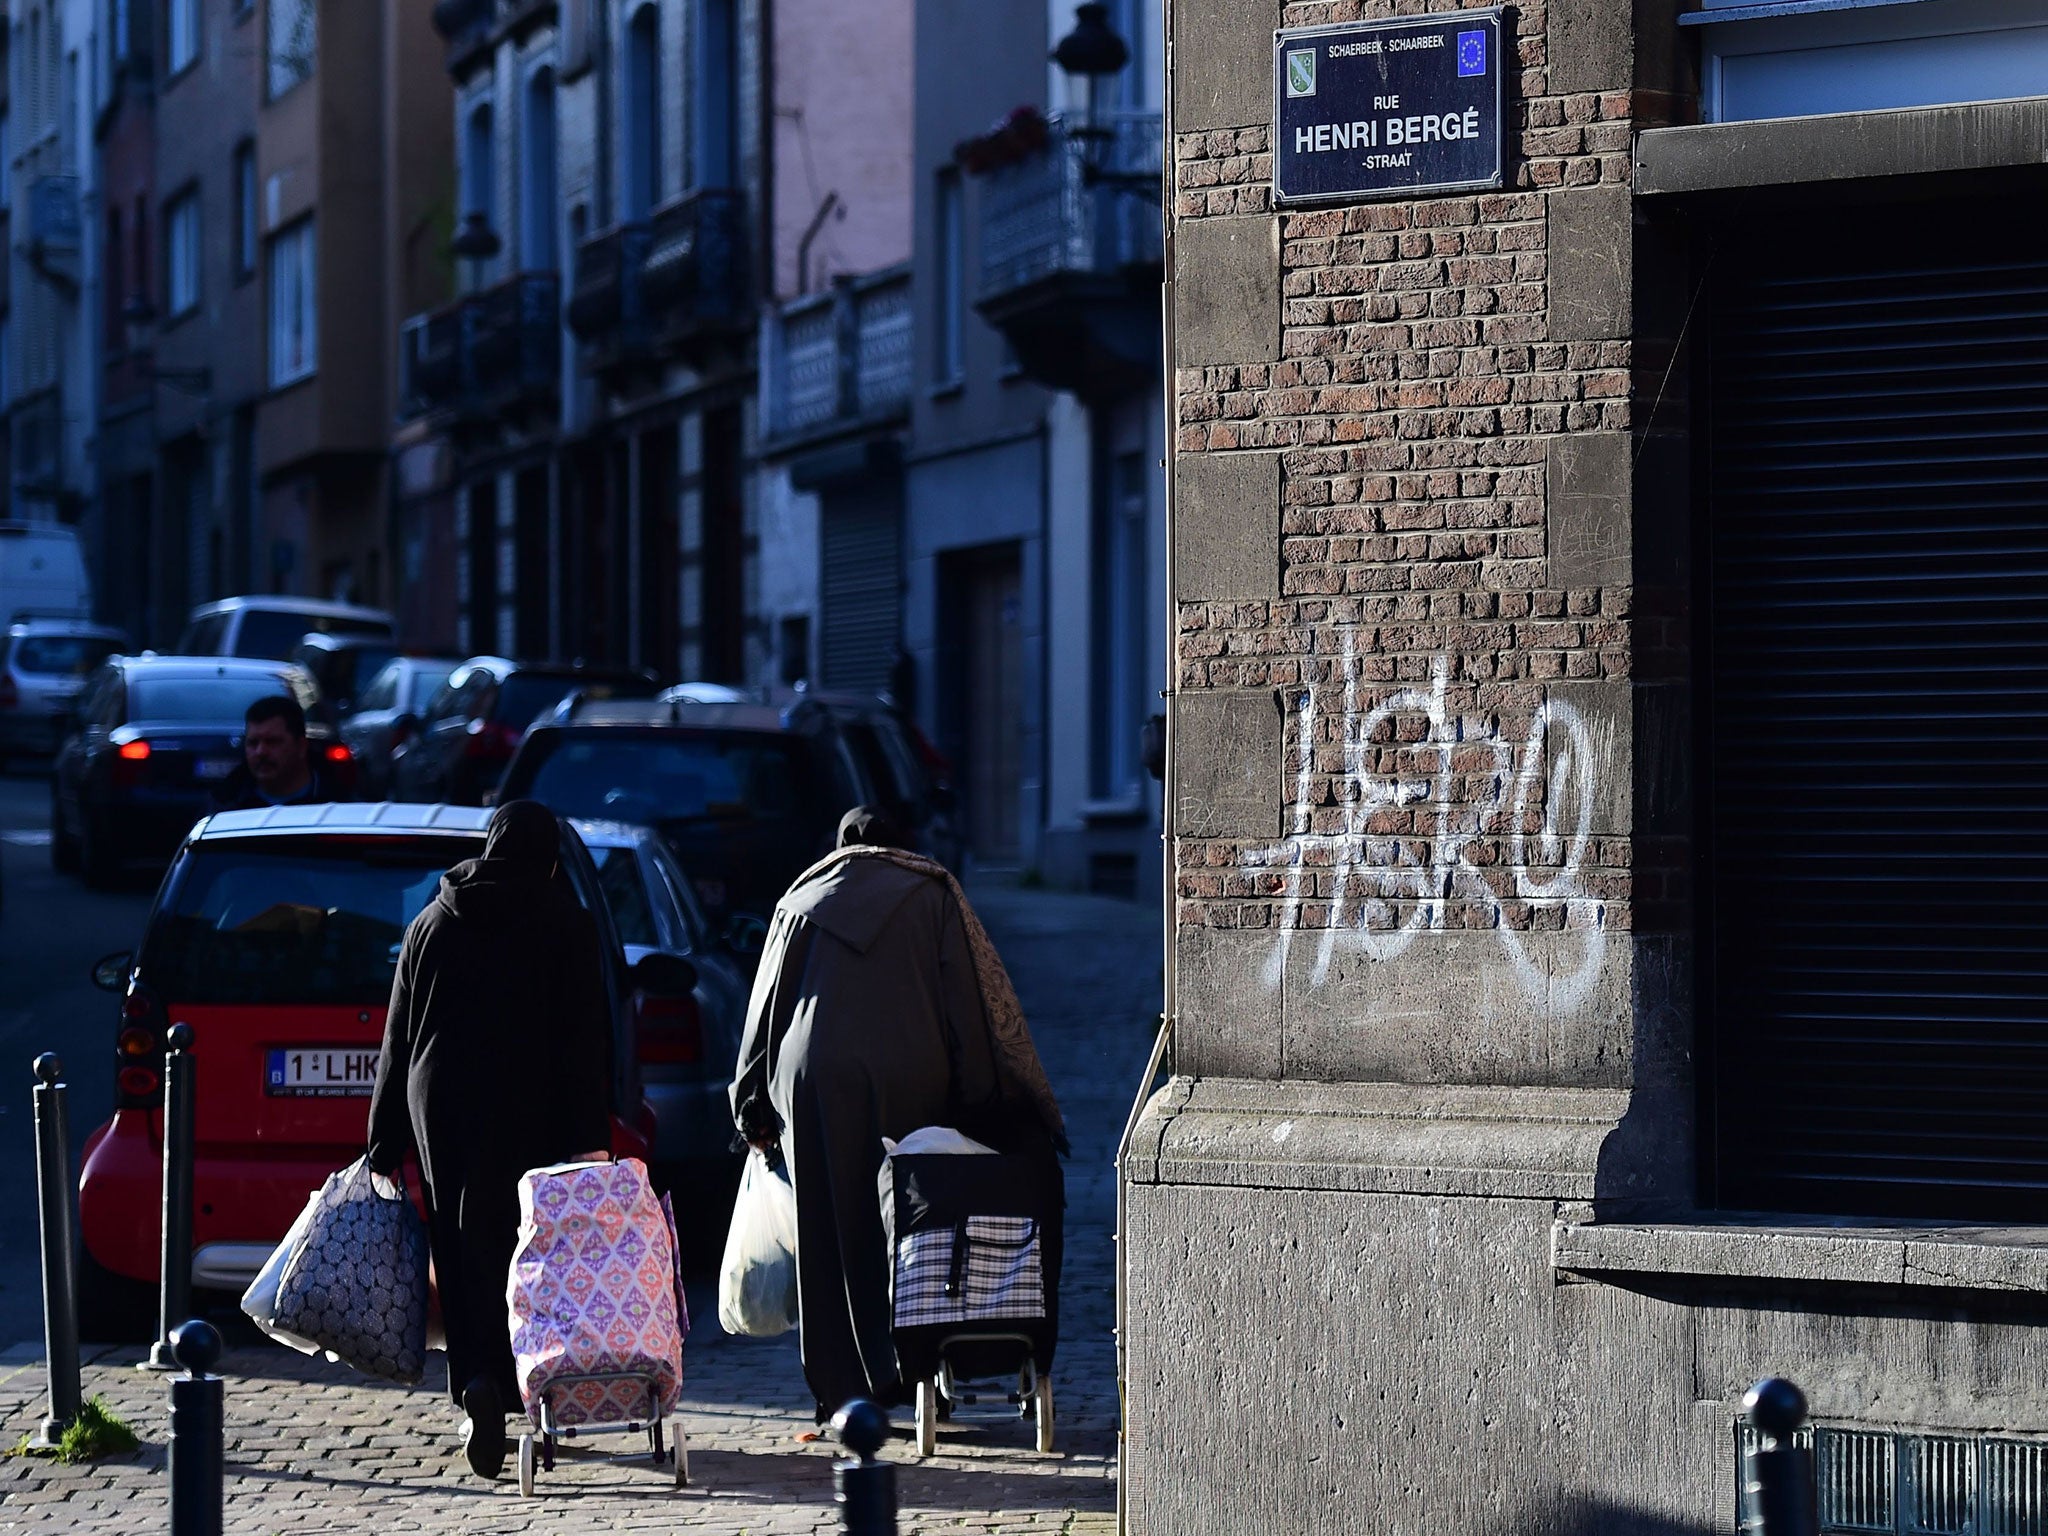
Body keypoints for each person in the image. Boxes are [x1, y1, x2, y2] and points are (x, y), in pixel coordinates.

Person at [729, 806, 1067, 1419]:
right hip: (912, 1068)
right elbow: (968, 1000)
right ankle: (910, 1365)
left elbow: (765, 1006)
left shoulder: (801, 896)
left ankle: (841, 1389)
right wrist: (981, 1097)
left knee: (827, 1227)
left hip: (814, 1074)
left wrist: (749, 1100)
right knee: (908, 1218)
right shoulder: (932, 893)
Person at [366, 800, 613, 1480]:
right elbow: (586, 1037)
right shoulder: (567, 922)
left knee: (460, 1238)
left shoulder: (435, 918)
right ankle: (519, 1386)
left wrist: (382, 1136)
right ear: (548, 856)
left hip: (442, 1102)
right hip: (535, 1104)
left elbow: (398, 1031)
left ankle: (475, 1381)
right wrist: (593, 1133)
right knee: (531, 1245)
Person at [210, 694, 345, 811]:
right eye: (253, 743)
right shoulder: (225, 805)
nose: (261, 752)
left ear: (301, 746)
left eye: (273, 742)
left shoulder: (339, 804)